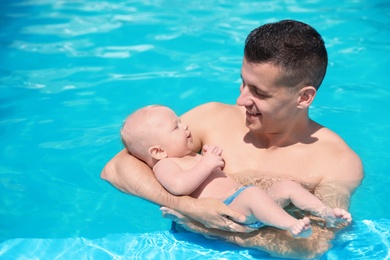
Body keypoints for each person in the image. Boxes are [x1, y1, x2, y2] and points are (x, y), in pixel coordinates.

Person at [101, 20, 363, 259]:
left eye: (258, 92)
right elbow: (116, 169)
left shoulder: (337, 163)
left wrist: (219, 229)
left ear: (304, 97)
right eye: (243, 83)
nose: (241, 100)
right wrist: (188, 207)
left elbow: (313, 246)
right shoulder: (213, 117)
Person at [121, 105, 352, 238]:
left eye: (181, 121)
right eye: (176, 127)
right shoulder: (165, 165)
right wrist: (207, 163)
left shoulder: (188, 155)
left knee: (287, 187)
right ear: (158, 151)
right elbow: (179, 186)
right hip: (231, 208)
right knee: (253, 194)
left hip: (247, 200)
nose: (186, 126)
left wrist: (207, 157)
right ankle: (290, 225)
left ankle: (325, 212)